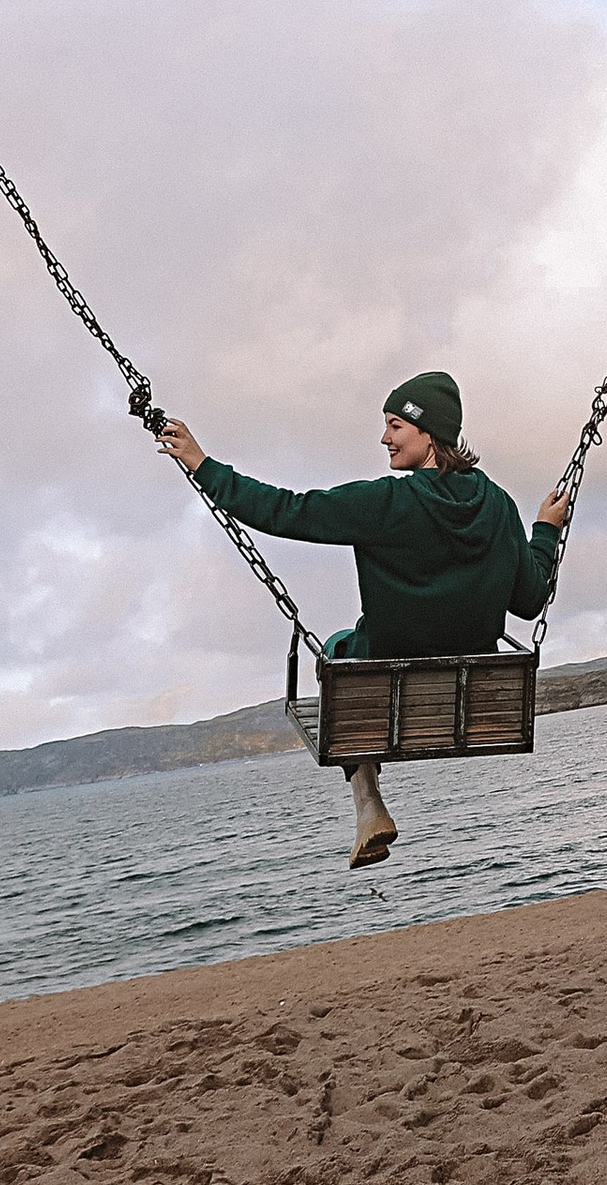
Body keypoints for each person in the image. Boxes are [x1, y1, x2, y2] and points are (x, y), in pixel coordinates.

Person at [157, 372, 569, 869]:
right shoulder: (499, 505)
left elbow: (286, 511)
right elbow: (529, 601)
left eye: (396, 425)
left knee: (339, 649)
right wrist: (545, 531)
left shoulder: (386, 503)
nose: (384, 438)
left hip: (390, 682)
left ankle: (369, 802)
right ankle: (369, 803)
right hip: (470, 693)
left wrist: (202, 464)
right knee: (360, 650)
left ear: (430, 434)